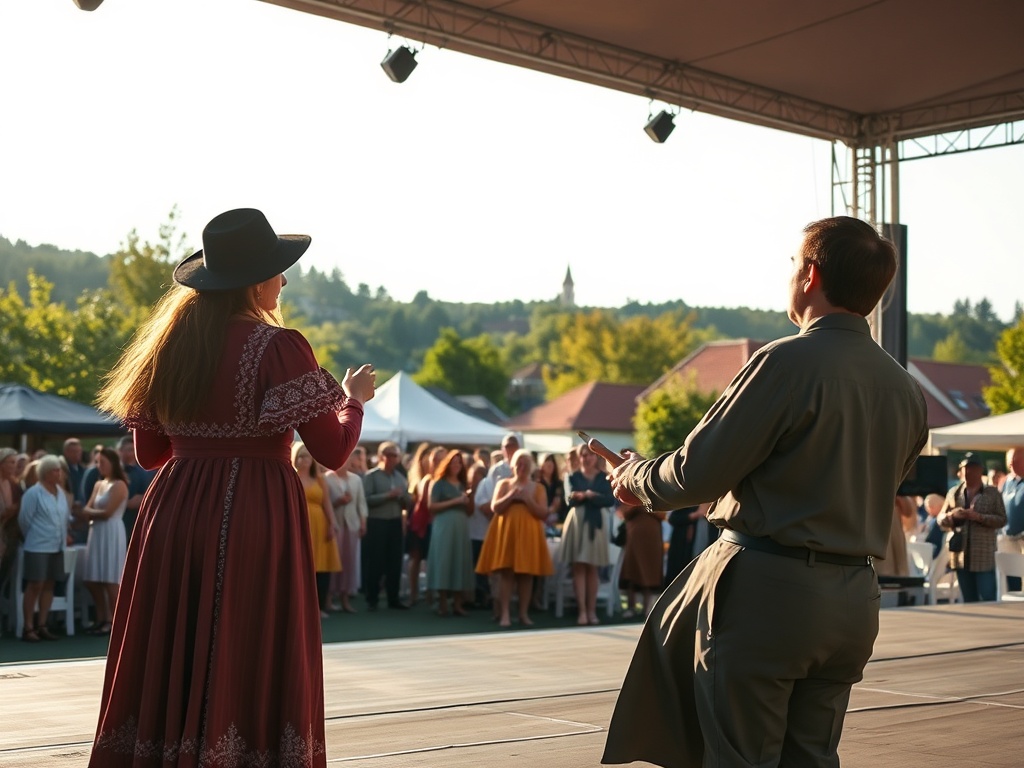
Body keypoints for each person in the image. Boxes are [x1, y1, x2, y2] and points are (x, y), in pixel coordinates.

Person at [602, 216, 929, 768]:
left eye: (794, 263)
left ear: (811, 274)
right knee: (812, 757)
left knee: (740, 757)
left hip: (770, 594)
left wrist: (634, 479)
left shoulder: (783, 362)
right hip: (851, 599)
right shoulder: (906, 389)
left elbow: (696, 473)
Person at [86, 207, 375, 766]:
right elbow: (333, 452)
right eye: (277, 269)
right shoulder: (280, 346)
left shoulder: (169, 347)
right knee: (247, 641)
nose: (284, 280)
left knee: (171, 647)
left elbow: (150, 454)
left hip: (173, 509)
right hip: (253, 510)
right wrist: (352, 400)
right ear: (253, 281)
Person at [476, 449, 554, 627]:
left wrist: (528, 500)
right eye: (519, 463)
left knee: (526, 575)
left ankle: (523, 614)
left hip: (529, 535)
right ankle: (504, 614)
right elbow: (496, 507)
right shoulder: (503, 484)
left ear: (531, 467)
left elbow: (543, 512)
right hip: (507, 533)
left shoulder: (539, 488)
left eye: (525, 463)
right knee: (506, 574)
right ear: (513, 465)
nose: (522, 467)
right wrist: (511, 496)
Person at [938, 452, 1006, 602]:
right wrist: (953, 516)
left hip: (983, 555)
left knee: (987, 597)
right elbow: (940, 519)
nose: (969, 472)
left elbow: (1002, 520)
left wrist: (979, 517)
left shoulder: (992, 493)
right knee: (969, 599)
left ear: (980, 471)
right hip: (961, 555)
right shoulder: (954, 492)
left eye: (973, 468)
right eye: (966, 468)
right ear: (961, 471)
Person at [17, 454, 71, 642]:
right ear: (46, 473)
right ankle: (28, 627)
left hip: (57, 545)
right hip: (37, 546)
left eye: (59, 469)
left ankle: (42, 625)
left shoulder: (60, 492)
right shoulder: (33, 493)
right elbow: (24, 520)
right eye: (55, 470)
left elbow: (64, 518)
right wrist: (32, 537)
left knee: (50, 584)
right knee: (35, 585)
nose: (59, 473)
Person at [76, 447, 129, 635]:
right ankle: (101, 617)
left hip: (112, 532)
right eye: (98, 462)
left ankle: (115, 621)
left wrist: (91, 513)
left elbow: (107, 513)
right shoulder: (99, 484)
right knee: (93, 579)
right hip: (97, 532)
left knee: (110, 578)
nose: (99, 466)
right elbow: (86, 509)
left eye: (103, 462)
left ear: (113, 463)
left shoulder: (120, 485)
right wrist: (92, 513)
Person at [561, 443, 615, 626]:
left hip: (596, 524)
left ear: (596, 457)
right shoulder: (572, 476)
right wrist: (583, 496)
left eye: (590, 455)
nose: (587, 458)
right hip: (578, 522)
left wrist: (590, 496)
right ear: (579, 457)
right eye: (583, 455)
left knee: (592, 568)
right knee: (579, 568)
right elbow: (569, 499)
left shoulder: (604, 477)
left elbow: (609, 500)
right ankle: (582, 612)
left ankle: (591, 612)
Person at [292, 442, 342, 618]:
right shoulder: (291, 477)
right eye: (300, 455)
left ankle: (319, 607)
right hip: (297, 524)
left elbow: (326, 503)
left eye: (306, 456)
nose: (303, 460)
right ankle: (300, 608)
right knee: (300, 566)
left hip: (319, 525)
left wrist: (333, 523)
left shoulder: (320, 479)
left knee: (322, 566)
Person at [362, 441, 413, 611]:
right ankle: (372, 598)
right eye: (390, 455)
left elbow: (407, 501)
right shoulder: (372, 476)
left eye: (396, 455)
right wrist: (387, 495)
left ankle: (394, 598)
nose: (394, 458)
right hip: (377, 522)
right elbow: (366, 500)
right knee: (375, 561)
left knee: (395, 561)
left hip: (395, 522)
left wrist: (405, 498)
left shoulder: (400, 478)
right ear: (382, 456)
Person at [426, 449, 475, 616]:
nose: (456, 465)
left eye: (459, 463)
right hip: (444, 526)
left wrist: (468, 499)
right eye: (454, 462)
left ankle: (458, 603)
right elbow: (431, 506)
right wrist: (455, 500)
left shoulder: (463, 485)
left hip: (460, 526)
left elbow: (469, 511)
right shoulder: (438, 483)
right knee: (444, 560)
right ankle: (442, 603)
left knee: (458, 561)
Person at [324, 452, 368, 613]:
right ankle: (328, 598)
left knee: (350, 562)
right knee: (333, 561)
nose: (347, 462)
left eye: (348, 459)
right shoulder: (326, 479)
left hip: (352, 525)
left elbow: (361, 503)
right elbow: (325, 504)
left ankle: (345, 599)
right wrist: (338, 502)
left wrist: (363, 522)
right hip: (334, 525)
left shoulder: (356, 479)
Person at [617, 501, 666, 618]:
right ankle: (631, 607)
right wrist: (639, 504)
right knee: (631, 571)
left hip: (652, 538)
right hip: (634, 537)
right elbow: (623, 513)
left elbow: (662, 514)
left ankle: (648, 608)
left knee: (650, 572)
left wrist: (646, 504)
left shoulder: (656, 491)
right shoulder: (629, 490)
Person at [116, 434, 155, 541]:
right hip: (115, 522)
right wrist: (124, 503)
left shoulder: (143, 472)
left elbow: (148, 495)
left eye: (133, 450)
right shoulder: (109, 472)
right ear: (119, 451)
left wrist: (143, 498)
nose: (132, 453)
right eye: (128, 450)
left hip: (135, 523)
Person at [998, 446, 1024, 590]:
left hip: (1023, 538)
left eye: (1017, 460)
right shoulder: (1007, 482)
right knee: (1011, 576)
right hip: (1007, 537)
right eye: (1010, 460)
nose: (1011, 464)